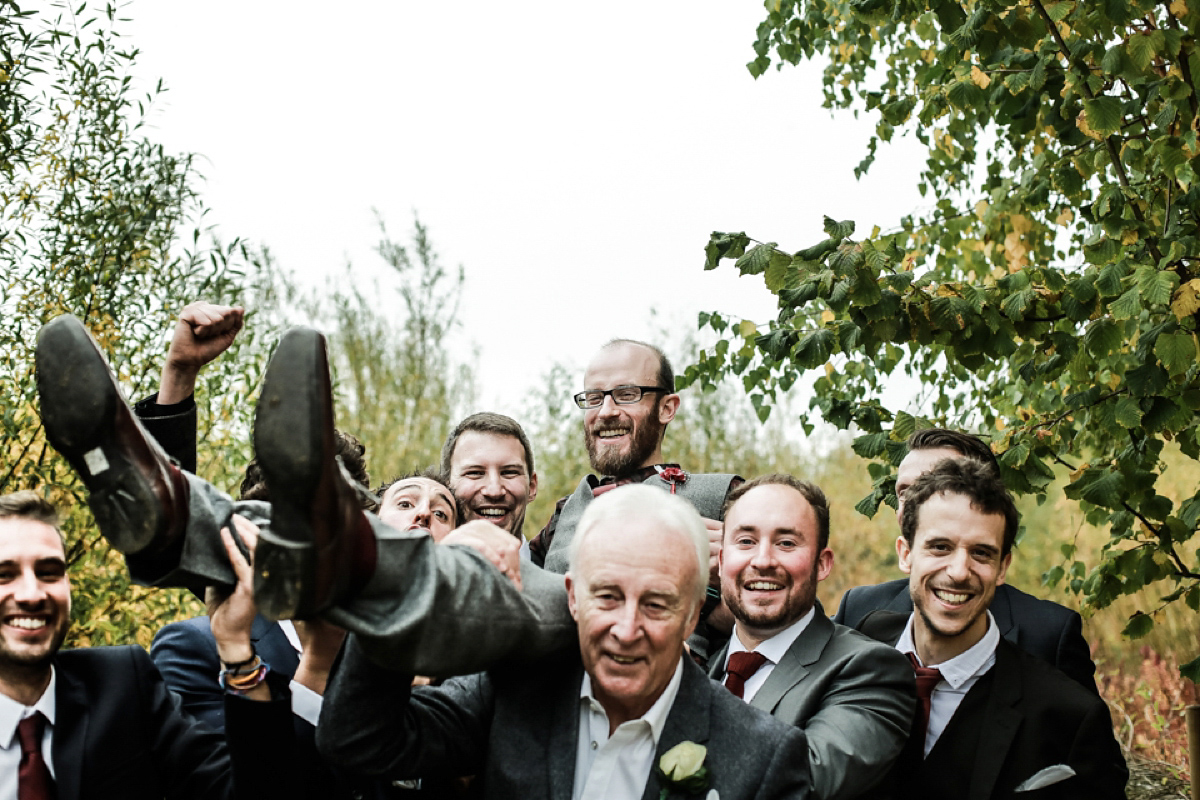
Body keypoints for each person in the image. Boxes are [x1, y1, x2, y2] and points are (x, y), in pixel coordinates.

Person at [316, 485, 812, 800]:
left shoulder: (765, 760)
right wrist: (410, 591)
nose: (626, 628)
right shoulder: (515, 686)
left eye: (657, 605)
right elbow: (359, 741)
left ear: (691, 617)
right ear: (572, 596)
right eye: (607, 596)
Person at [856, 459, 1126, 800]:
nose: (958, 571)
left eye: (981, 553)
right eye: (940, 547)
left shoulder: (1068, 716)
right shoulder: (855, 656)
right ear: (906, 553)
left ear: (1002, 568)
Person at [0, 490, 297, 799]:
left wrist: (235, 644)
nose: (32, 595)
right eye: (3, 575)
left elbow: (258, 792)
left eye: (49, 573)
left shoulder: (122, 685)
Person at [833, 428, 1098, 692]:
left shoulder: (1049, 635)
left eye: (936, 486)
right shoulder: (859, 610)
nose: (910, 505)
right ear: (904, 552)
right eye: (904, 492)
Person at [709, 474, 915, 800]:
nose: (762, 560)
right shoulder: (701, 668)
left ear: (822, 564)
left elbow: (803, 782)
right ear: (721, 562)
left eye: (786, 543)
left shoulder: (872, 669)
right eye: (746, 541)